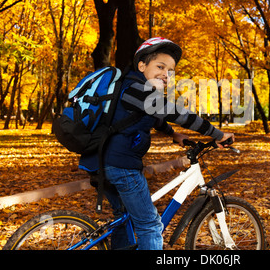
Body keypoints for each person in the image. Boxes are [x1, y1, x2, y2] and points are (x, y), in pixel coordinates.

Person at [79, 37, 234, 250]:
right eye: (160, 66)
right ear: (141, 65)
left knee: (126, 219)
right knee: (150, 225)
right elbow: (174, 112)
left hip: (102, 161)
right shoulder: (137, 88)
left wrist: (174, 134)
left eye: (170, 71)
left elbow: (150, 116)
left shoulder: (131, 87)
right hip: (121, 166)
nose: (165, 74)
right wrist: (215, 133)